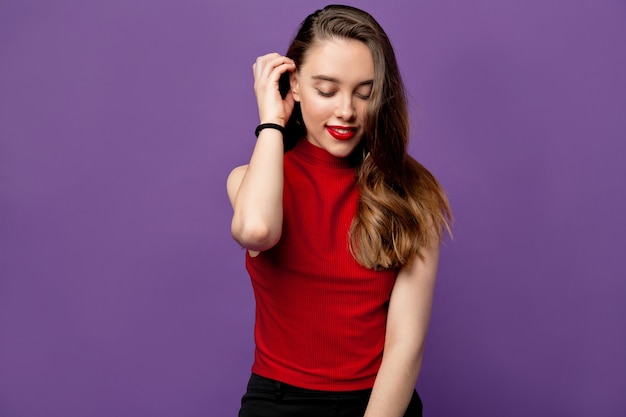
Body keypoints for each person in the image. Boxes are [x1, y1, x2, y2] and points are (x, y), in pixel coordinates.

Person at [227, 5, 452, 417]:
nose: (346, 110)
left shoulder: (412, 193)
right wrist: (271, 122)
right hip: (278, 404)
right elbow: (257, 230)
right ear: (292, 83)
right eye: (326, 90)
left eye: (364, 93)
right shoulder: (250, 180)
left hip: (379, 405)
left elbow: (406, 346)